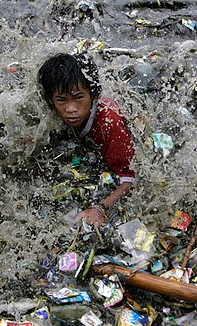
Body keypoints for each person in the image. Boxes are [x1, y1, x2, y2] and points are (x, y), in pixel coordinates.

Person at [37, 53, 135, 227]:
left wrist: (100, 208)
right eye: (61, 100)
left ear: (93, 94)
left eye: (78, 97)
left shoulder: (109, 123)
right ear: (50, 100)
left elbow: (129, 179)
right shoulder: (46, 110)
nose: (71, 109)